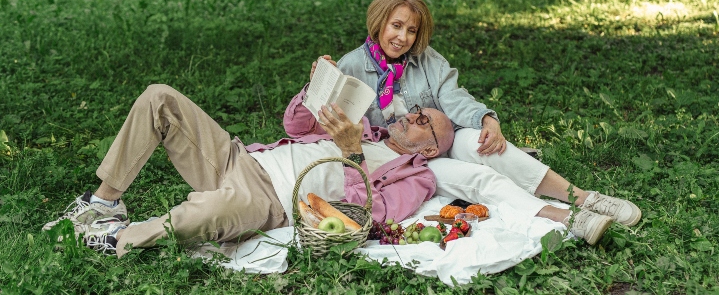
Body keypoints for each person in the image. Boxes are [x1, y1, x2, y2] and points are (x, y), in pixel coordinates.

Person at [305, 0, 642, 234]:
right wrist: (319, 82)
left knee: (486, 144)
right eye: (396, 26)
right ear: (379, 23)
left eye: (411, 31)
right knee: (480, 178)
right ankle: (568, 218)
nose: (403, 37)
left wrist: (486, 119)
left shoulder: (428, 60)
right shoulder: (351, 65)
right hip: (401, 160)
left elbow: (453, 97)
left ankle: (583, 197)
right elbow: (335, 120)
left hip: (440, 138)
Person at [42, 84, 456, 256]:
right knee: (159, 97)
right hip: (239, 158)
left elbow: (370, 215)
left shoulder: (417, 176)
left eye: (425, 123)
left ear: (434, 148)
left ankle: (116, 239)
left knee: (206, 215)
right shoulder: (364, 125)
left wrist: (352, 153)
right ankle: (103, 203)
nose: (414, 118)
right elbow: (294, 125)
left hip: (269, 199)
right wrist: (313, 89)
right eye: (417, 112)